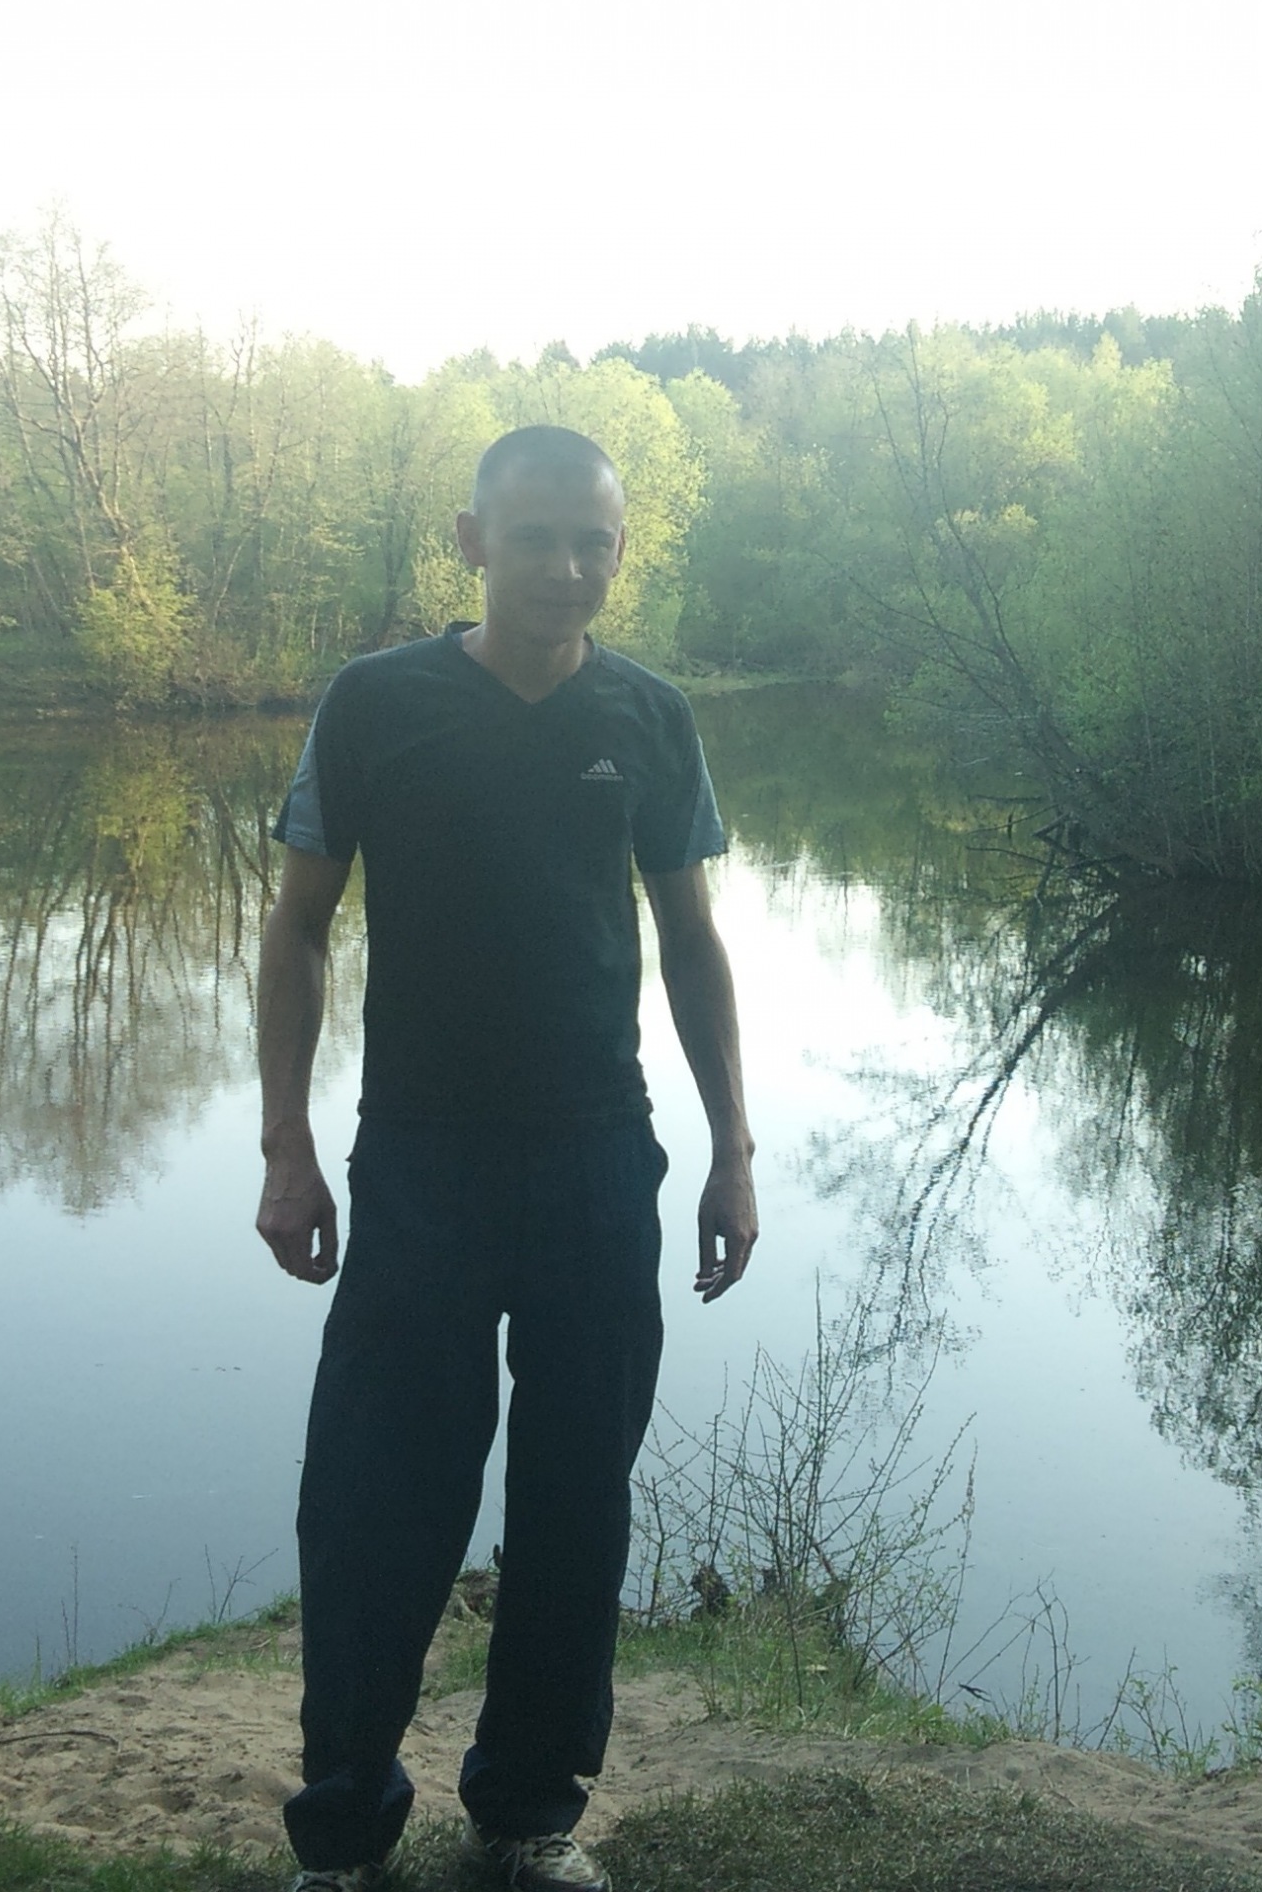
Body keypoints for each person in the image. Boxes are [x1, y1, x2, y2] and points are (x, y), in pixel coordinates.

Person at [254, 424, 759, 1892]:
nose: (566, 568)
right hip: (420, 1158)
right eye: (535, 538)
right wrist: (287, 1148)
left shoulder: (651, 716)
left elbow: (693, 943)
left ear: (620, 549)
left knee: (575, 1499)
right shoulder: (377, 704)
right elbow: (297, 928)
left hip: (599, 1158)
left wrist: (732, 1149)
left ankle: (530, 1816)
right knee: (377, 1498)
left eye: (594, 542)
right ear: (473, 541)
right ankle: (344, 1832)